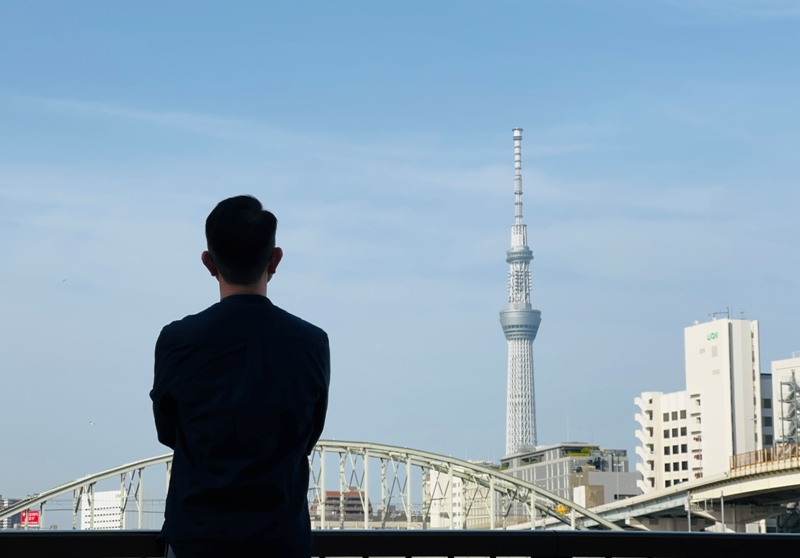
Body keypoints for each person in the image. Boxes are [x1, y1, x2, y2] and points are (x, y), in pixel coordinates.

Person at [150, 195, 330, 558]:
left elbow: (168, 433)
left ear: (209, 262)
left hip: (196, 541)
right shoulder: (312, 343)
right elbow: (308, 434)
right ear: (275, 260)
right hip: (281, 542)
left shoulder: (177, 341)